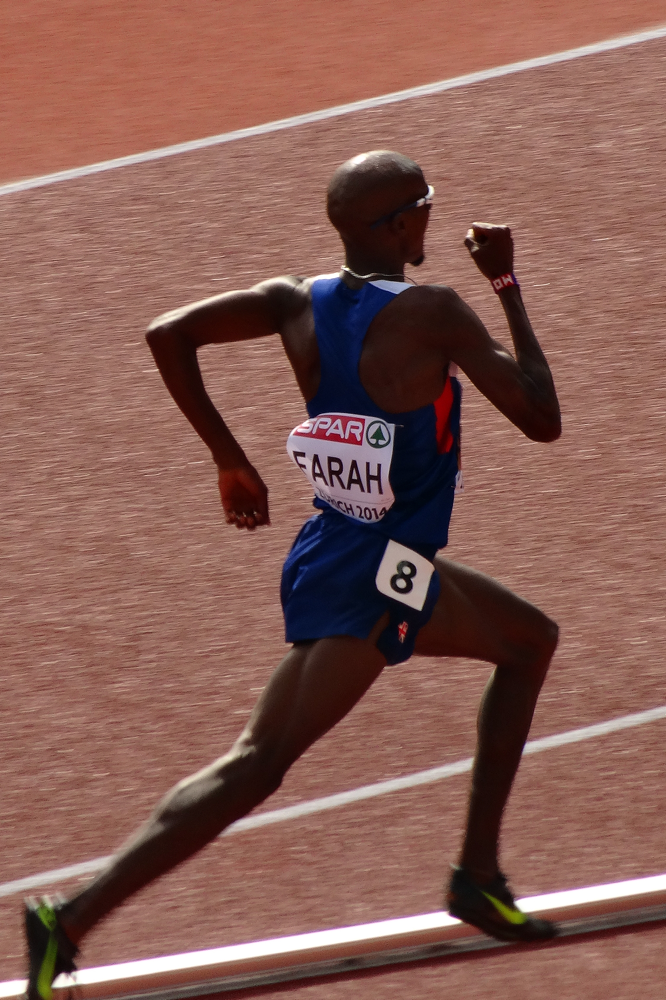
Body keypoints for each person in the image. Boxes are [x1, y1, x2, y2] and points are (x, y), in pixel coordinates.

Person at [24, 150, 562, 998]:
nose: (430, 217)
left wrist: (228, 461)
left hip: (340, 551)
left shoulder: (293, 302)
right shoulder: (436, 313)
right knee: (258, 762)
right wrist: (506, 284)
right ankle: (73, 918)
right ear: (395, 225)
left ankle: (478, 877)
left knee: (529, 640)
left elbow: (168, 333)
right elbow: (542, 418)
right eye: (423, 206)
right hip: (375, 576)